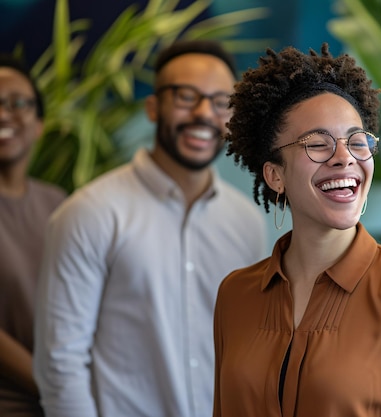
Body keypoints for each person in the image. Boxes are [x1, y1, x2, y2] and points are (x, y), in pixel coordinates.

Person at [212, 43, 381, 417]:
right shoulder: (235, 294)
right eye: (317, 143)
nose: (344, 157)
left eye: (357, 142)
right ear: (275, 175)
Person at [33, 39, 267, 417]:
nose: (204, 113)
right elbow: (60, 363)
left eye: (221, 101)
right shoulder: (91, 212)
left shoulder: (246, 222)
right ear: (153, 107)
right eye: (186, 96)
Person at [0, 54, 66, 417]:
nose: (4, 114)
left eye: (18, 103)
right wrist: (55, 387)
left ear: (39, 124)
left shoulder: (58, 203)